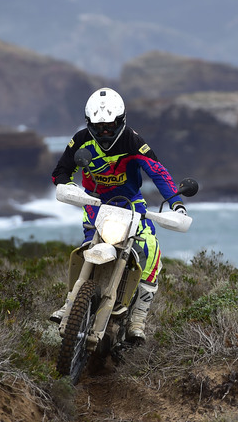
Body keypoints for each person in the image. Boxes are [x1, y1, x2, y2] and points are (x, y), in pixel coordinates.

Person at [49, 87, 186, 344]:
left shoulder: (133, 142)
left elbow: (158, 172)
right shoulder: (80, 140)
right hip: (94, 204)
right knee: (86, 247)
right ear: (89, 124)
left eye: (110, 126)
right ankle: (71, 303)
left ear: (121, 121)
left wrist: (176, 203)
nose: (104, 132)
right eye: (98, 127)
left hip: (131, 204)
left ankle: (138, 318)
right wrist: (68, 186)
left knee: (150, 248)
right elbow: (60, 171)